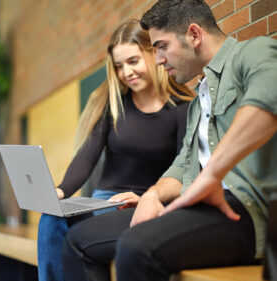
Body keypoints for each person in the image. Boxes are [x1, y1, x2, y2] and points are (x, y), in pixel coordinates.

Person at [62, 1, 277, 281]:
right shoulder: (198, 102)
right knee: (79, 240)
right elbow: (180, 167)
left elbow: (268, 101)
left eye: (161, 46)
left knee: (135, 248)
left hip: (245, 211)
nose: (159, 59)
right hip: (198, 208)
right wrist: (152, 195)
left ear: (194, 35)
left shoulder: (253, 52)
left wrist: (211, 175)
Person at [37, 19, 194, 281]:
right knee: (51, 218)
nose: (126, 72)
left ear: (153, 53)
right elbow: (86, 156)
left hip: (144, 204)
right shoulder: (112, 104)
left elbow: (183, 169)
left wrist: (148, 198)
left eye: (133, 61)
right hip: (101, 201)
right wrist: (61, 190)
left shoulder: (182, 109)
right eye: (119, 66)